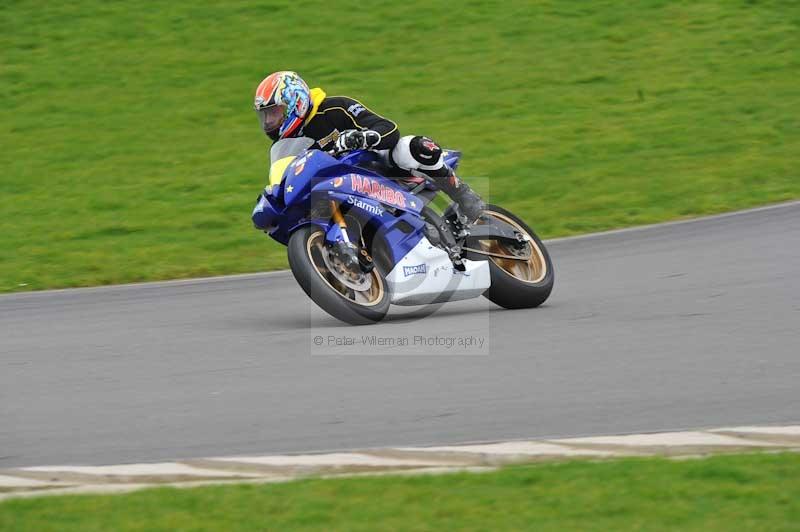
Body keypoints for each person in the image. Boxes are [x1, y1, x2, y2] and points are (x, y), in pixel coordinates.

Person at [253, 71, 484, 221]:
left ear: (296, 100)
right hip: (337, 189)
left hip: (375, 167)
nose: (269, 122)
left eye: (274, 113)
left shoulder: (335, 108)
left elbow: (389, 129)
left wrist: (363, 138)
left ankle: (461, 194)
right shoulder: (285, 145)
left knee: (409, 147)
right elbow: (287, 176)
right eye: (265, 116)